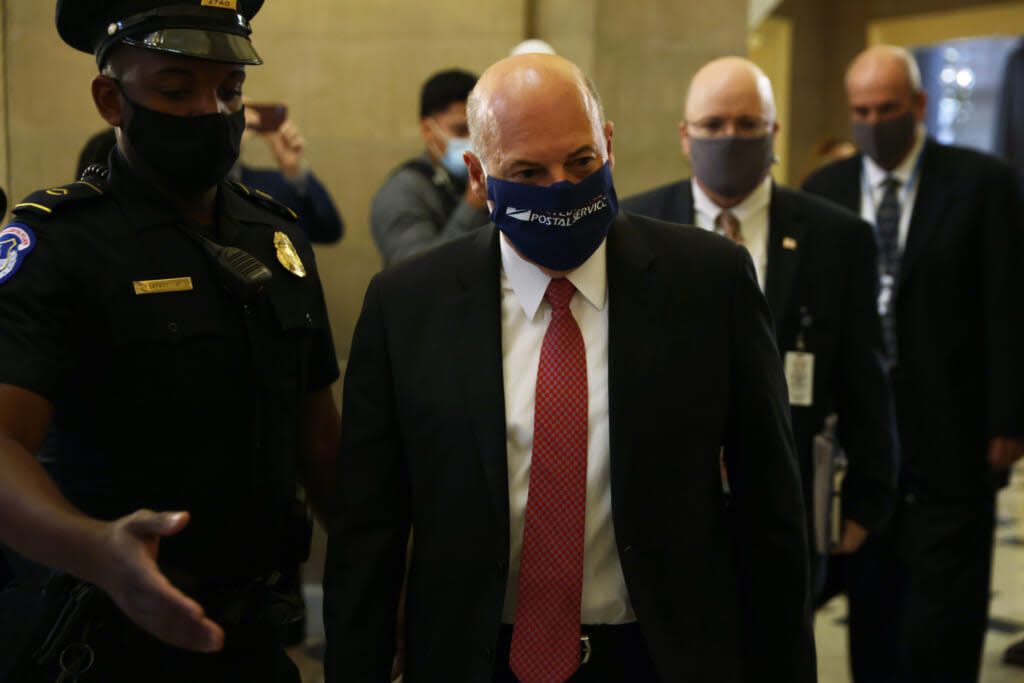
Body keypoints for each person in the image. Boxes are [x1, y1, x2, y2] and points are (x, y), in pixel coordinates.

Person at [325, 53, 815, 683]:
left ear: (608, 146)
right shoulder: (408, 306)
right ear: (478, 175)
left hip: (661, 657)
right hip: (475, 659)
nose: (561, 188)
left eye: (581, 162)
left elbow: (770, 505)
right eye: (527, 171)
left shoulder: (709, 282)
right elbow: (369, 532)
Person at [0, 2, 341, 681]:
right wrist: (97, 549)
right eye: (177, 90)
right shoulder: (60, 244)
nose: (212, 112)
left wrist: (383, 571)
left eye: (230, 91)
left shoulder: (277, 241)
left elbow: (319, 439)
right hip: (100, 640)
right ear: (111, 99)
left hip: (252, 639)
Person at [622, 56, 897, 598]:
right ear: (685, 135)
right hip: (660, 511)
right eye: (713, 125)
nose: (730, 138)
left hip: (788, 505)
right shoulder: (631, 230)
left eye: (748, 125)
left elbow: (865, 376)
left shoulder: (838, 238)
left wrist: (869, 497)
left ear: (773, 131)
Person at [802, 45, 1024, 683]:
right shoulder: (827, 190)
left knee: (944, 618)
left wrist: (1010, 417)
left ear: (919, 106)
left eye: (887, 108)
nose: (873, 122)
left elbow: (1008, 305)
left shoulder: (983, 184)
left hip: (955, 431)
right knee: (873, 604)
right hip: (863, 441)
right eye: (860, 110)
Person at [75, 99, 346, 244]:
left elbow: (329, 230)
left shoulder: (273, 184)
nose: (229, 119)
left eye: (232, 96)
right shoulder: (171, 182)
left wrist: (294, 169)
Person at [369, 68, 490, 267]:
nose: (473, 143)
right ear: (427, 130)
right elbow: (416, 271)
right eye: (461, 130)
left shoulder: (476, 178)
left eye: (479, 131)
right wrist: (473, 205)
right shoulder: (402, 191)